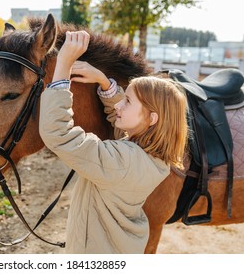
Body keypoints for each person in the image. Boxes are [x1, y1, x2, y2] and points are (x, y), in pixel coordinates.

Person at [39, 31, 188, 253]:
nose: (119, 106)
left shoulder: (122, 162)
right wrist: (103, 81)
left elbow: (58, 134)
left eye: (127, 101)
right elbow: (123, 127)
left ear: (152, 119)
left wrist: (63, 65)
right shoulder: (149, 157)